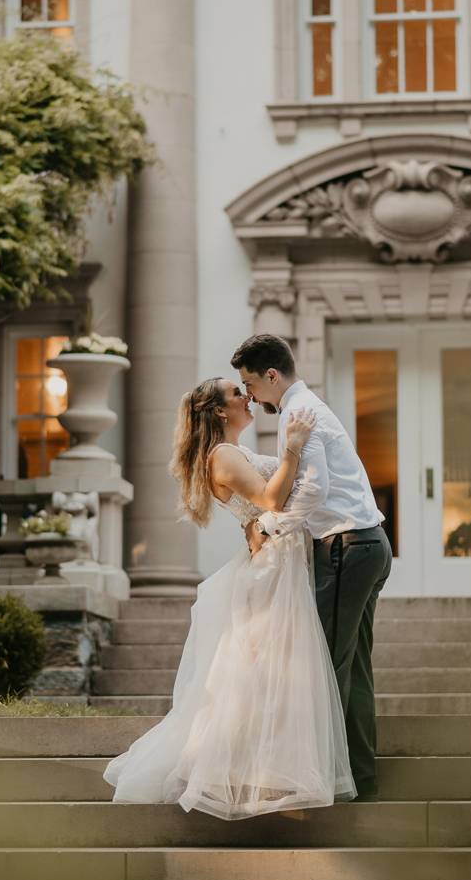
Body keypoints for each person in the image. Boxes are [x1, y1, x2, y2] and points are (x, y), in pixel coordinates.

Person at [103, 378, 356, 819]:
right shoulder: (221, 456)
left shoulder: (228, 453)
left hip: (281, 558)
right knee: (267, 674)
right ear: (220, 411)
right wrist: (293, 447)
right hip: (273, 567)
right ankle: (262, 780)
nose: (247, 396)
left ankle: (273, 777)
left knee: (270, 674)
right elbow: (273, 497)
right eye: (237, 392)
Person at [231, 333, 392, 803]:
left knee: (323, 669)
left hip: (346, 546)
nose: (249, 395)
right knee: (353, 668)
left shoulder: (297, 416)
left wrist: (269, 523)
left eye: (250, 384)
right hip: (369, 544)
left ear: (271, 376)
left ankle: (324, 780)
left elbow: (315, 490)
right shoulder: (308, 407)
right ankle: (360, 780)